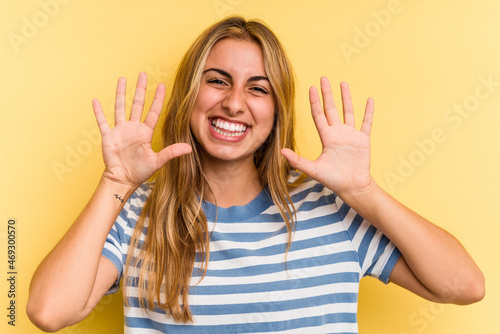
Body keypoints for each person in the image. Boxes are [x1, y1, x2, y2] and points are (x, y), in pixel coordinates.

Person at [27, 16, 484, 333]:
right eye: (218, 80)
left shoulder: (333, 210)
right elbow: (48, 312)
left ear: (276, 111)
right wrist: (116, 184)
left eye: (258, 88)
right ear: (190, 96)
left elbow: (464, 286)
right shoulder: (139, 213)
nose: (234, 103)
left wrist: (363, 191)